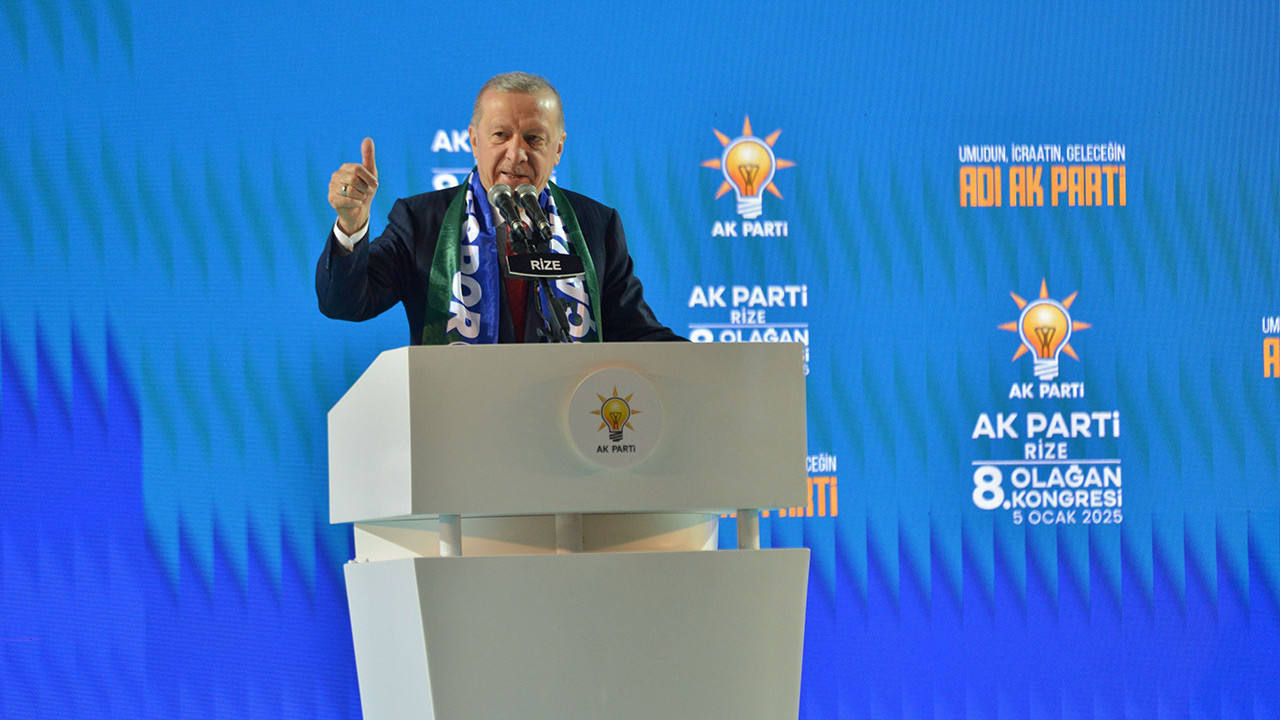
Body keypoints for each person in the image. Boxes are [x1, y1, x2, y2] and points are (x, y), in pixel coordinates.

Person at [315, 72, 681, 344]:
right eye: (501, 135)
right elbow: (345, 304)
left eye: (534, 138)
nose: (516, 153)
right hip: (458, 418)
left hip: (564, 418)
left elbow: (636, 333)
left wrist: (708, 364)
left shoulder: (595, 224)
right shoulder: (421, 220)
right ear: (474, 141)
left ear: (558, 148)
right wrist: (351, 226)